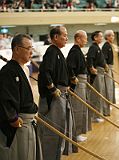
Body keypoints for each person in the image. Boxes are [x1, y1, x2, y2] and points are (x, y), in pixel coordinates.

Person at [0, 34, 43, 160]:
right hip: (18, 122)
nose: (31, 52)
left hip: (28, 120)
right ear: (17, 49)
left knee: (29, 154)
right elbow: (4, 98)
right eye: (28, 48)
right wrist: (13, 119)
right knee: (20, 154)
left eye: (32, 48)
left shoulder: (24, 69)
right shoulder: (8, 71)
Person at [38, 26, 77, 160]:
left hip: (62, 94)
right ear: (55, 37)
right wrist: (52, 88)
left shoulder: (58, 52)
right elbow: (45, 72)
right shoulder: (51, 52)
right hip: (55, 96)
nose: (67, 38)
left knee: (62, 126)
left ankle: (55, 156)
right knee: (53, 128)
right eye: (64, 35)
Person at [66, 30, 91, 142]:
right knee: (77, 108)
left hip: (82, 82)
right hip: (77, 84)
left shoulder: (78, 51)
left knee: (81, 108)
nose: (86, 40)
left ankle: (78, 132)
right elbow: (69, 67)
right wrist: (72, 77)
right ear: (78, 39)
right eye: (84, 38)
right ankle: (75, 134)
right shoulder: (74, 51)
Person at [86, 31, 110, 122]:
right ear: (95, 38)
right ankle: (94, 116)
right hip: (96, 75)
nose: (102, 38)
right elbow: (90, 59)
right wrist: (91, 68)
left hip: (100, 73)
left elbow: (101, 59)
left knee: (100, 94)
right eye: (100, 36)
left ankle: (99, 114)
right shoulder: (93, 47)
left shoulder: (97, 47)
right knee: (96, 95)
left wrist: (105, 65)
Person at [102, 30, 116, 104]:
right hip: (107, 68)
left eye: (113, 35)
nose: (113, 37)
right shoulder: (106, 46)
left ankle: (110, 101)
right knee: (108, 85)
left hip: (110, 67)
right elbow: (104, 58)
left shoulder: (109, 45)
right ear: (107, 37)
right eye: (112, 35)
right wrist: (106, 67)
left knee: (111, 85)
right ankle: (107, 102)